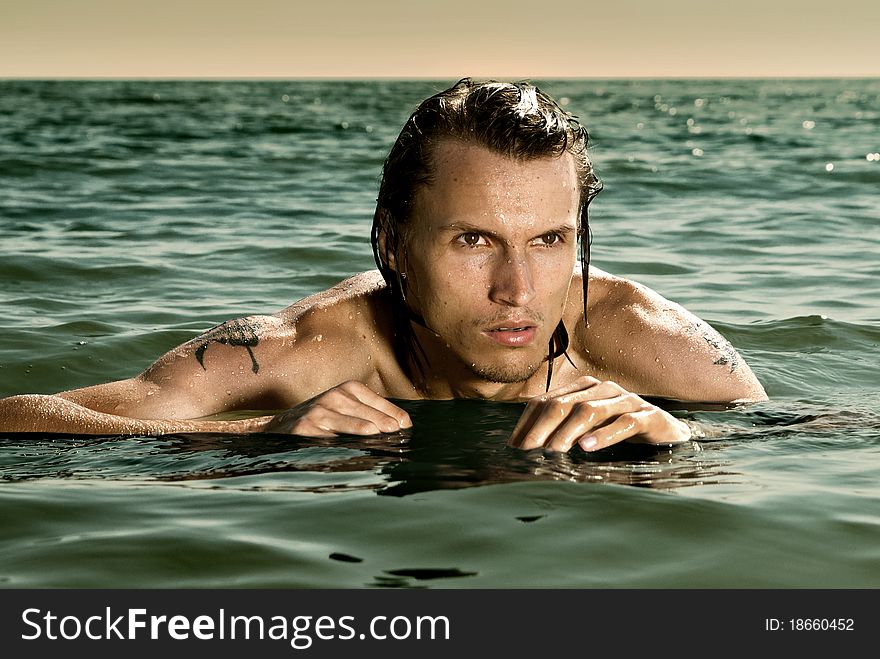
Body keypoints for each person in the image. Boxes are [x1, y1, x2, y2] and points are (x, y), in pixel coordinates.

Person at [0, 78, 767, 453]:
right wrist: (257, 435)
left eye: (548, 240)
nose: (519, 289)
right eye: (473, 240)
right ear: (395, 243)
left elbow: (822, 445)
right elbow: (19, 420)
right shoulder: (308, 350)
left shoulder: (646, 341)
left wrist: (684, 447)